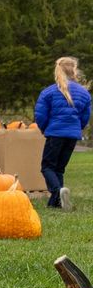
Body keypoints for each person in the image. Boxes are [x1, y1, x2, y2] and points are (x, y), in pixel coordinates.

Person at [34, 56, 91, 210]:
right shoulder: (84, 93)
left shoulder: (49, 92)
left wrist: (45, 129)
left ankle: (57, 192)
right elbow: (85, 117)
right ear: (74, 70)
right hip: (72, 136)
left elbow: (40, 115)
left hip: (55, 134)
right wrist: (76, 128)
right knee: (59, 168)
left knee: (47, 167)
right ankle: (57, 203)